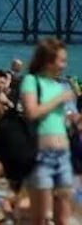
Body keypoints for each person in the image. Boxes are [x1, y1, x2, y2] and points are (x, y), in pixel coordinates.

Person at [21, 37, 75, 225]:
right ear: (48, 61)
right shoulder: (31, 81)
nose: (64, 65)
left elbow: (55, 120)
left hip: (63, 154)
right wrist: (59, 100)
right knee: (41, 217)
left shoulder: (57, 85)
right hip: (42, 155)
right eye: (61, 60)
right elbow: (31, 112)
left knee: (64, 217)